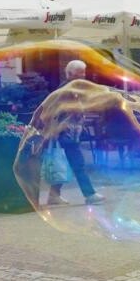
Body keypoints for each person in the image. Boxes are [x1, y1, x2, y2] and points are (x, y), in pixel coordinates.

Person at [45, 60, 104, 206]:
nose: (83, 75)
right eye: (80, 73)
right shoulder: (67, 89)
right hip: (65, 132)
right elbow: (60, 109)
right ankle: (89, 194)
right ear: (70, 73)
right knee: (78, 164)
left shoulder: (74, 88)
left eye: (84, 72)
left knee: (64, 163)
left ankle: (54, 194)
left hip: (69, 132)